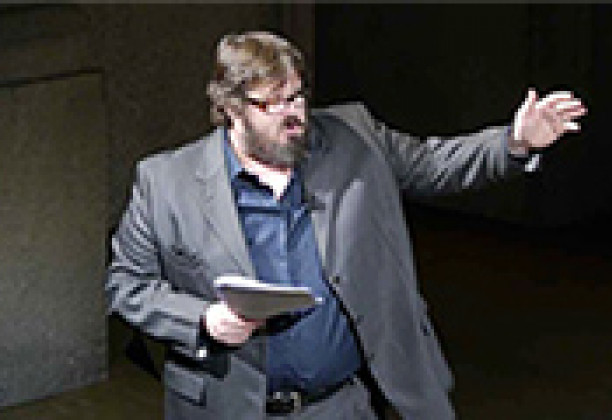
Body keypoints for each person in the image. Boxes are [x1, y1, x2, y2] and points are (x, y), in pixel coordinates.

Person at [106, 31, 586, 419]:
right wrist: (203, 320)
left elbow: (434, 163)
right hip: (230, 408)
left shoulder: (354, 136)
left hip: (342, 406)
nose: (294, 114)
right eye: (273, 104)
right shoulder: (166, 182)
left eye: (297, 96)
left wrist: (515, 142)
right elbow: (126, 284)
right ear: (231, 109)